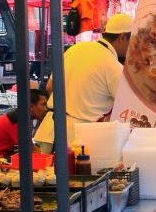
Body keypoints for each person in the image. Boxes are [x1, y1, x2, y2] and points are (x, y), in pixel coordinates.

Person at [34, 13, 132, 151]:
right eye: (132, 40)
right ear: (123, 37)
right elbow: (126, 105)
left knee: (44, 172)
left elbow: (50, 87)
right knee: (69, 172)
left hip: (49, 131)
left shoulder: (75, 49)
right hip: (76, 140)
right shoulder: (112, 65)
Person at [0, 89, 50, 163]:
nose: (46, 109)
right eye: (43, 105)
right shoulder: (18, 121)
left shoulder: (22, 117)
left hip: (0, 156)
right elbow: (29, 149)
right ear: (31, 107)